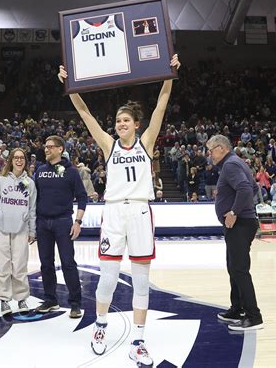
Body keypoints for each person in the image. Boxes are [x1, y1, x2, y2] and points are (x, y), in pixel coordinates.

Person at [58, 54, 180, 367]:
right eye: (117, 120)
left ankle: (138, 341)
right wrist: (70, 85)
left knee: (141, 282)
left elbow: (161, 106)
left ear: (136, 125)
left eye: (125, 120)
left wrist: (169, 75)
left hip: (140, 213)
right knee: (107, 280)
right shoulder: (109, 145)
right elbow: (85, 114)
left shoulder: (146, 142)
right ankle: (100, 328)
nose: (120, 123)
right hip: (113, 213)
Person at [206, 134, 263, 331]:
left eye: (211, 150)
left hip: (240, 224)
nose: (209, 154)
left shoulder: (230, 165)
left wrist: (234, 211)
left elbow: (246, 189)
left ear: (221, 148)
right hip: (241, 223)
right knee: (234, 268)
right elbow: (254, 187)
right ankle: (237, 308)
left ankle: (254, 317)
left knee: (239, 269)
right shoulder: (234, 163)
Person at [33, 135, 88, 318]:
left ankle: (75, 303)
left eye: (50, 147)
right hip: (42, 222)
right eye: (45, 146)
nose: (46, 149)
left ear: (60, 149)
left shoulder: (71, 171)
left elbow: (82, 197)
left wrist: (78, 222)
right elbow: (34, 199)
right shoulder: (39, 171)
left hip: (63, 221)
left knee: (68, 263)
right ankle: (50, 299)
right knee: (46, 264)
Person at [0, 148, 37, 316]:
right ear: (11, 160)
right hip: (0, 228)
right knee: (1, 265)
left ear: (25, 161)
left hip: (21, 229)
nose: (19, 160)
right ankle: (4, 300)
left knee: (20, 265)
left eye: (22, 157)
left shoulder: (30, 183)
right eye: (16, 157)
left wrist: (32, 230)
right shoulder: (0, 181)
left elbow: (32, 209)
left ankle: (21, 298)